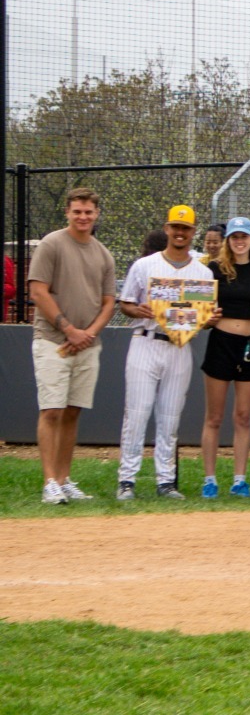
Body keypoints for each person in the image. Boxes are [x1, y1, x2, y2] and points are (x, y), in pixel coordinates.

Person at [113, 204, 212, 500]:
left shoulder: (202, 271)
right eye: (175, 227)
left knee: (170, 417)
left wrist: (208, 320)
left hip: (179, 347)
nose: (180, 232)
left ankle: (165, 481)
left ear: (193, 232)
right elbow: (125, 304)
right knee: (137, 414)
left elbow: (201, 318)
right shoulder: (145, 265)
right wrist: (136, 309)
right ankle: (126, 480)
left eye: (186, 228)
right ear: (167, 229)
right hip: (145, 341)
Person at [28, 187, 118, 504]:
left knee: (72, 412)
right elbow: (38, 292)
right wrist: (68, 329)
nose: (83, 217)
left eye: (88, 212)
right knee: (51, 410)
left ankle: (64, 480)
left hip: (86, 346)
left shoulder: (103, 253)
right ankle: (49, 482)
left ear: (96, 215)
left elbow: (109, 302)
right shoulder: (52, 244)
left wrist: (88, 333)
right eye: (77, 211)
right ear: (67, 212)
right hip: (53, 342)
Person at [199, 217, 250, 498]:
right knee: (214, 417)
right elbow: (203, 312)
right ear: (228, 241)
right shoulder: (215, 269)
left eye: (244, 236)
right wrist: (208, 318)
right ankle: (210, 480)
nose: (239, 241)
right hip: (221, 342)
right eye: (234, 237)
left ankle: (239, 480)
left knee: (243, 416)